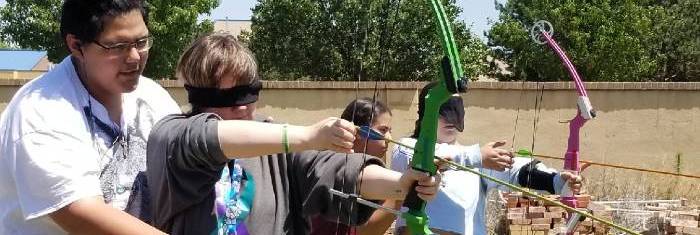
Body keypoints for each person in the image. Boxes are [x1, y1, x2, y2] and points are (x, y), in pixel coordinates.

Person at [146, 33, 442, 235]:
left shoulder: (272, 140)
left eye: (250, 92)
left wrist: (403, 184)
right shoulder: (170, 135)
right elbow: (207, 138)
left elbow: (333, 170)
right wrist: (307, 135)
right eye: (232, 97)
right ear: (199, 95)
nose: (245, 107)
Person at [0, 0, 178, 234]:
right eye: (117, 46)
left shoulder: (152, 96)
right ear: (76, 45)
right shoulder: (40, 111)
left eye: (141, 42)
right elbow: (84, 216)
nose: (135, 57)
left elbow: (188, 146)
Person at [390, 81, 583, 235]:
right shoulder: (406, 147)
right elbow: (424, 159)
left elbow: (516, 170)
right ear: (426, 112)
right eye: (442, 110)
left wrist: (557, 181)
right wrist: (476, 156)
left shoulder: (475, 161)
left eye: (456, 110)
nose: (450, 119)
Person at [310, 98, 397, 235]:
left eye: (389, 130)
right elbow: (364, 231)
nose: (389, 138)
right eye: (383, 130)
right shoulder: (335, 166)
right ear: (358, 131)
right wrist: (403, 190)